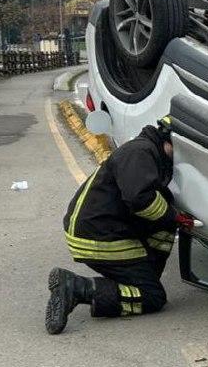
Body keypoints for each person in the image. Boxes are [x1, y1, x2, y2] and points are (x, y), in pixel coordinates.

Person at [45, 118, 194, 334]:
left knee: (164, 227)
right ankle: (78, 288)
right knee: (152, 297)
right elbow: (139, 199)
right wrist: (174, 217)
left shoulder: (149, 152)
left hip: (103, 230)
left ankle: (140, 277)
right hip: (100, 237)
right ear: (171, 140)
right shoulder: (141, 152)